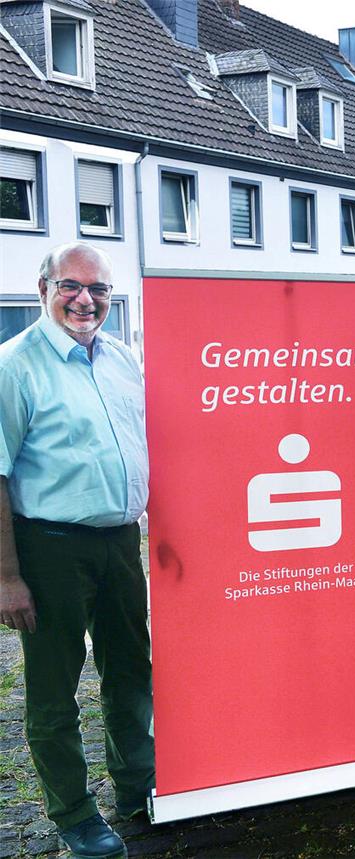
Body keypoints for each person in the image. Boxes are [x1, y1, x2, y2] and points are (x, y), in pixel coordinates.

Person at [0, 243, 153, 858]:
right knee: (54, 686)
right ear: (44, 288)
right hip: (50, 547)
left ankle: (136, 785)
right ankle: (74, 814)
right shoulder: (14, 365)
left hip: (120, 542)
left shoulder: (122, 358)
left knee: (129, 668)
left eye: (99, 290)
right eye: (71, 286)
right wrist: (7, 577)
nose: (86, 300)